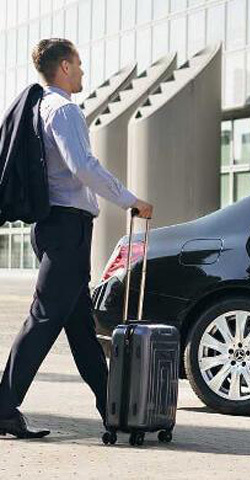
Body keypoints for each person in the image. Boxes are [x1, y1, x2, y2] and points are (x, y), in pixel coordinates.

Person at [0, 38, 153, 439]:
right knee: (45, 317)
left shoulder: (40, 106)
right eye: (80, 64)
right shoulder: (63, 109)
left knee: (81, 328)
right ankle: (2, 407)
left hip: (59, 228)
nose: (83, 71)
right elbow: (82, 165)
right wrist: (130, 200)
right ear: (64, 67)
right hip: (66, 228)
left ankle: (111, 410)